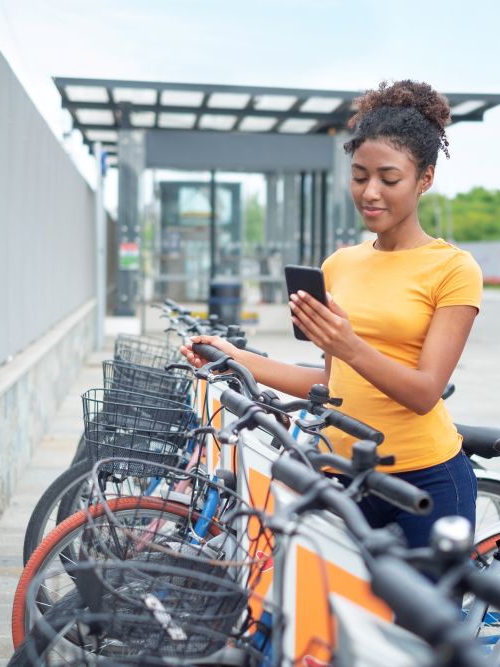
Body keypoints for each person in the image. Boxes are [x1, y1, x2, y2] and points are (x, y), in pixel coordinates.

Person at [181, 80, 482, 548]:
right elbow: (330, 383)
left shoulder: (455, 269)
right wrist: (234, 357)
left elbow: (424, 393)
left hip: (426, 480)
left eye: (389, 177)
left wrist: (350, 345)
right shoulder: (339, 264)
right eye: (360, 176)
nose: (370, 192)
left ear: (425, 178)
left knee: (423, 622)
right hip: (344, 476)